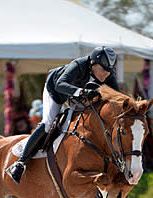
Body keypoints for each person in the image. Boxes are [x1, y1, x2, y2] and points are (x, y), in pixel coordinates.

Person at [8, 46, 120, 184]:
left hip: (77, 99)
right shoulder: (79, 65)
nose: (106, 75)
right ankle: (20, 163)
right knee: (48, 124)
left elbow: (119, 98)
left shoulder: (108, 76)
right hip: (56, 91)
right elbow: (60, 84)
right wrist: (82, 92)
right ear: (93, 63)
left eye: (109, 71)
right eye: (103, 69)